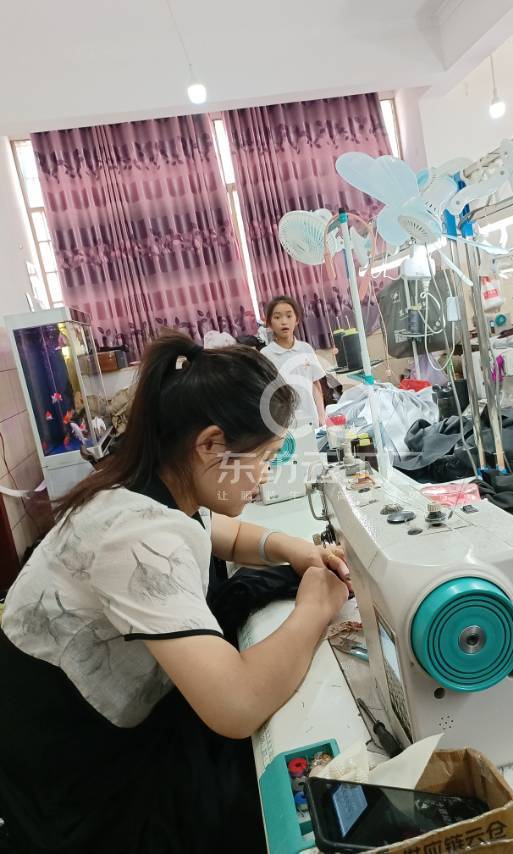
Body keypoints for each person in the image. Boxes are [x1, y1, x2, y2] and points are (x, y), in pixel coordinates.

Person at [0, 333, 349, 854]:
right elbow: (237, 704)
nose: (265, 476)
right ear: (210, 444)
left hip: (97, 731)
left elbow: (221, 533)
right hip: (75, 780)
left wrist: (292, 549)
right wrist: (317, 605)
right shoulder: (133, 535)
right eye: (264, 457)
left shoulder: (151, 486)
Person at [261, 296, 326, 427]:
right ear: (269, 323)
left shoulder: (306, 349)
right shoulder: (266, 355)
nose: (284, 321)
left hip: (312, 421)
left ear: (297, 320)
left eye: (289, 316)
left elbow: (315, 384)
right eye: (277, 317)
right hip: (285, 425)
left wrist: (321, 416)